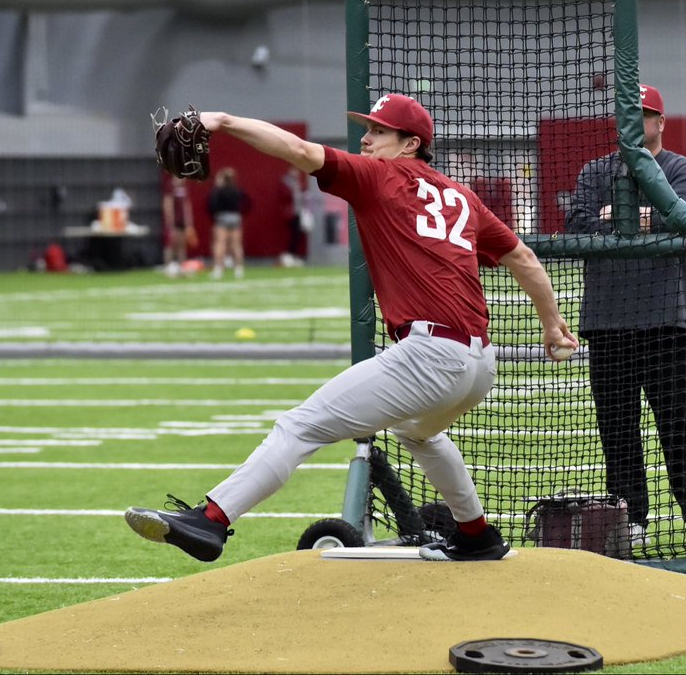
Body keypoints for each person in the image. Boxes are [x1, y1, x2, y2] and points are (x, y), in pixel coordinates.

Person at [126, 94, 578, 563]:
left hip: (430, 357)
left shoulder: (379, 176)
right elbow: (522, 257)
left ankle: (212, 520)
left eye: (379, 131)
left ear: (410, 145)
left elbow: (300, 152)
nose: (366, 138)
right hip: (480, 364)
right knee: (418, 433)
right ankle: (477, 534)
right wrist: (550, 323)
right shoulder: (462, 196)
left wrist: (222, 120)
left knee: (299, 426)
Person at [565, 84, 686, 549]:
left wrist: (629, 217)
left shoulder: (679, 167)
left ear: (660, 122)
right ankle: (630, 514)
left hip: (667, 317)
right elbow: (577, 223)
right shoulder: (595, 171)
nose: (636, 123)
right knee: (617, 425)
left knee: (677, 418)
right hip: (607, 319)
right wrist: (647, 216)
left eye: (645, 115)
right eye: (628, 115)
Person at [206, 167, 249, 279]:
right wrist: (241, 213)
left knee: (220, 243)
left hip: (222, 217)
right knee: (237, 245)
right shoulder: (236, 190)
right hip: (235, 217)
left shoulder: (218, 190)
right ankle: (239, 269)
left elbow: (211, 204)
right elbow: (247, 202)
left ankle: (218, 269)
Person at [161, 176, 196, 277]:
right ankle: (168, 266)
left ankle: (182, 267)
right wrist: (170, 222)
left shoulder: (184, 188)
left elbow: (186, 205)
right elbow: (167, 204)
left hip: (182, 221)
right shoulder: (170, 187)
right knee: (171, 244)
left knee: (182, 244)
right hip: (173, 221)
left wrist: (189, 222)